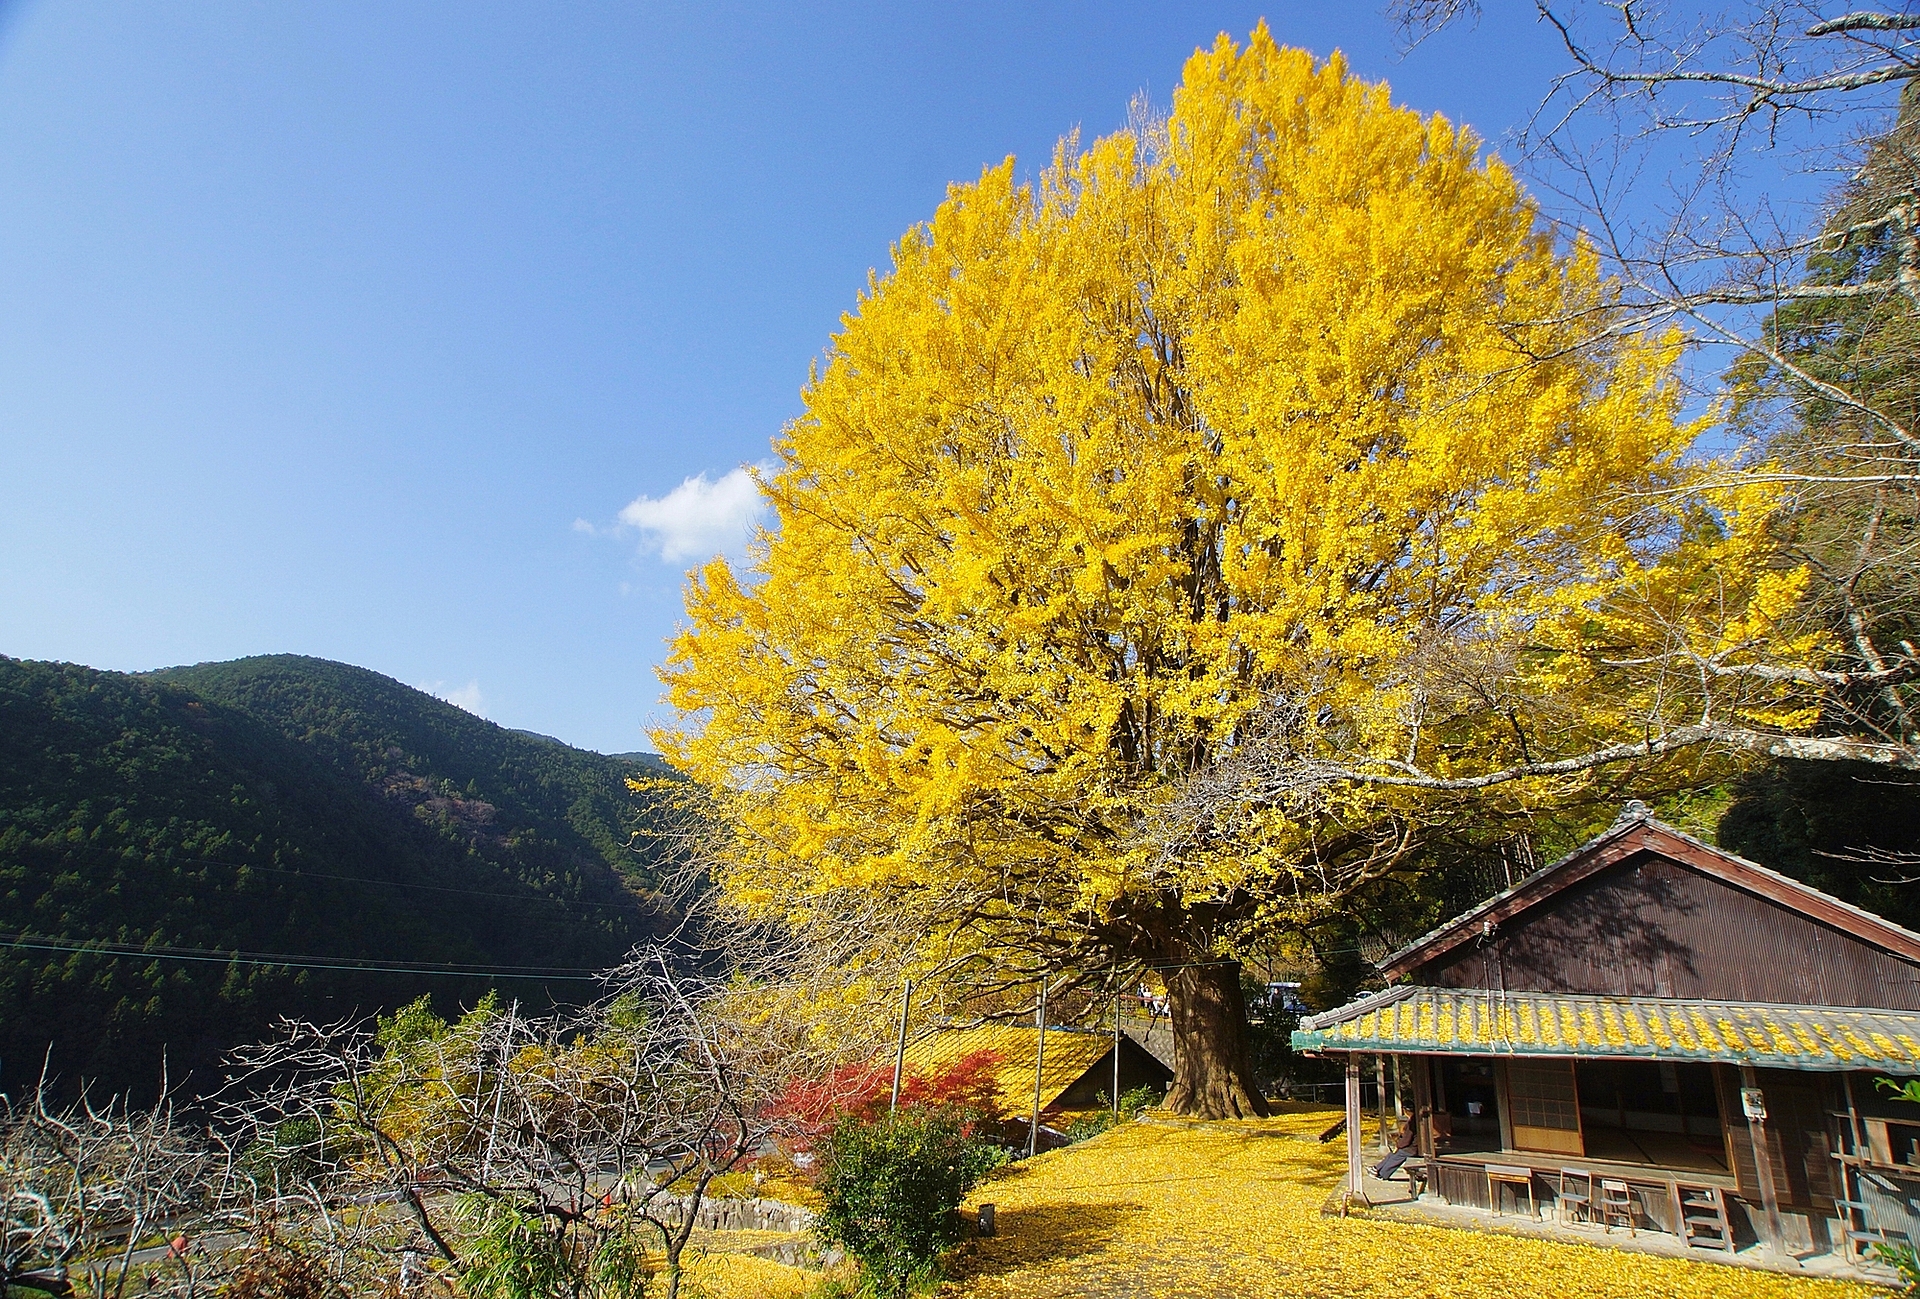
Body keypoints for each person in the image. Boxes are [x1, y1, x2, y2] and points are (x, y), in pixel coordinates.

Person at [1374, 1115, 1419, 1181]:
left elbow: (1406, 1140)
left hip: (1412, 1148)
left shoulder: (1412, 1123)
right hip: (1413, 1147)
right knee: (1392, 1154)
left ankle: (1383, 1174)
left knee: (1398, 1155)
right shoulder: (1415, 1120)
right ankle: (1377, 1168)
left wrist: (1398, 1145)